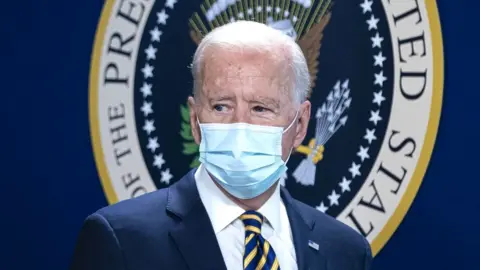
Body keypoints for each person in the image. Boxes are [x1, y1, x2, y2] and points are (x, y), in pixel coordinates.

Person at [70, 21, 372, 270]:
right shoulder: (120, 240)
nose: (239, 126)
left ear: (300, 125)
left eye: (260, 109)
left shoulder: (346, 252)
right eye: (221, 106)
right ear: (195, 120)